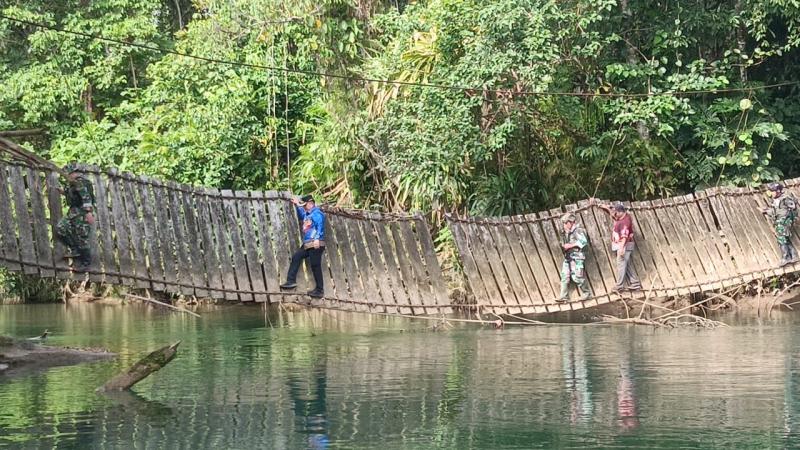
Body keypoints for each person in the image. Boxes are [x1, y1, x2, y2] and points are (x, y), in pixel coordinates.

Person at [280, 194, 326, 298]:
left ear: (311, 204)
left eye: (305, 205)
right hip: (308, 244)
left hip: (315, 243)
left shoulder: (317, 213)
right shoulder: (307, 214)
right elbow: (301, 214)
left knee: (315, 266)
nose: (304, 207)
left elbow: (320, 226)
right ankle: (291, 281)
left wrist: (317, 239)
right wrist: (297, 205)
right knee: (296, 257)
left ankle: (320, 290)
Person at [594, 200, 642, 293]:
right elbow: (611, 213)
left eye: (616, 212)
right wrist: (602, 206)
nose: (614, 213)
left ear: (620, 212)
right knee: (626, 264)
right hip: (622, 244)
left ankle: (619, 286)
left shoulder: (625, 222)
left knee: (621, 264)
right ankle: (635, 283)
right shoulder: (621, 216)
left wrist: (621, 248)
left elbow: (624, 236)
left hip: (624, 245)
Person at [55, 163, 95, 271]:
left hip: (82, 212)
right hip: (73, 212)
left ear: (73, 173)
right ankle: (74, 249)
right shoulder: (72, 184)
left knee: (82, 237)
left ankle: (86, 263)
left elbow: (86, 198)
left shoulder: (80, 182)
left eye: (68, 174)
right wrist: (63, 192)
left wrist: (88, 212)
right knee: (61, 228)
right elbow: (74, 195)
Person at [761, 182, 798, 266]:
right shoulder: (776, 200)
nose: (770, 193)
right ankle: (794, 255)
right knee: (785, 238)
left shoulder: (786, 198)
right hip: (779, 220)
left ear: (778, 191)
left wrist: (790, 219)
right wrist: (767, 211)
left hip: (785, 221)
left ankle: (786, 257)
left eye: (772, 191)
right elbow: (776, 212)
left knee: (781, 238)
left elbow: (793, 209)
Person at [558, 213, 592, 302]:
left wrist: (570, 246)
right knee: (564, 275)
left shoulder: (578, 230)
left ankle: (586, 293)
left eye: (566, 223)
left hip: (577, 257)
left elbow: (583, 242)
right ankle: (563, 296)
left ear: (571, 222)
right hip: (569, 257)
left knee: (577, 276)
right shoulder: (567, 232)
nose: (564, 225)